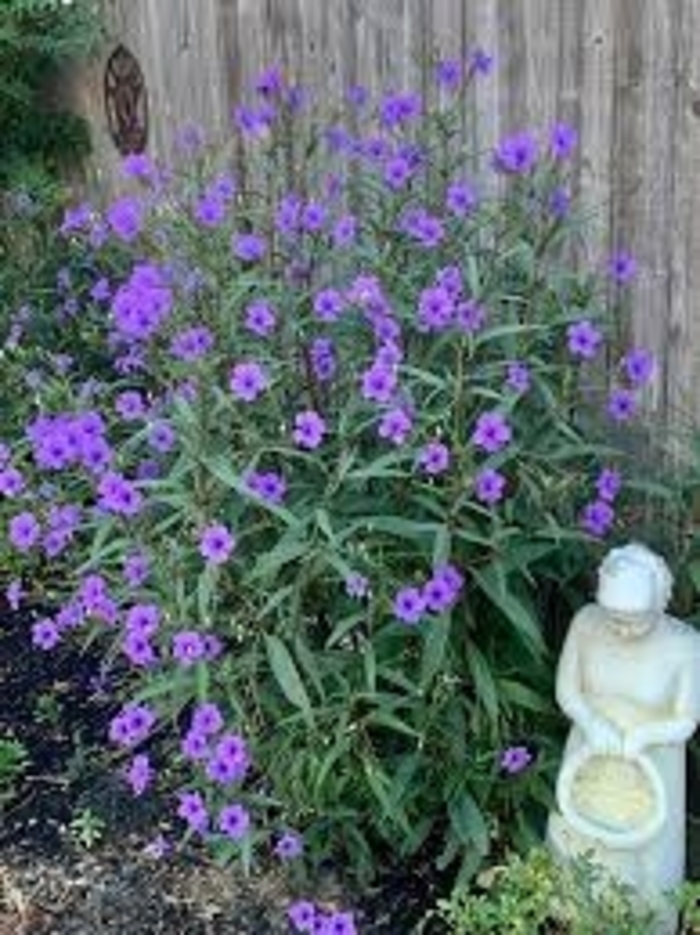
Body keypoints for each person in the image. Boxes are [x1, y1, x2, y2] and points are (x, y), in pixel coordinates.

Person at [547, 543, 700, 932]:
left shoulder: (685, 646)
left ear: (659, 604)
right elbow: (567, 690)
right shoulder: (585, 622)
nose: (621, 629)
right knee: (578, 847)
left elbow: (687, 720)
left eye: (635, 620)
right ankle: (571, 918)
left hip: (650, 767)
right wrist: (591, 723)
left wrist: (646, 735)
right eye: (613, 617)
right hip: (588, 753)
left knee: (645, 869)